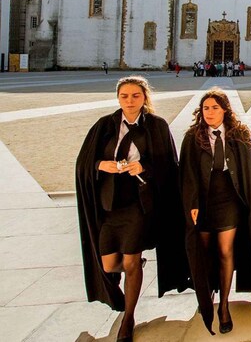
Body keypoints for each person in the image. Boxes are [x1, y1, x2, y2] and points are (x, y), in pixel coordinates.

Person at [75, 76, 189, 342]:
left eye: (135, 96)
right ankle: (134, 266)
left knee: (129, 261)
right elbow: (85, 161)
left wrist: (144, 168)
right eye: (125, 96)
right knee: (110, 264)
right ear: (118, 98)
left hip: (139, 204)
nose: (129, 100)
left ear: (144, 97)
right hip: (109, 204)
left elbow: (170, 166)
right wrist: (102, 165)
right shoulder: (104, 126)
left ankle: (128, 317)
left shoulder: (156, 126)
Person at [179, 89, 251, 334]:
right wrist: (192, 203)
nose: (210, 113)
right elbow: (187, 174)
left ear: (225, 110)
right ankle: (206, 295)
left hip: (228, 200)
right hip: (202, 201)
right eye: (206, 109)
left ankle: (223, 307)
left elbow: (249, 172)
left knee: (225, 250)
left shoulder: (239, 135)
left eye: (215, 108)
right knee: (202, 251)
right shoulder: (192, 137)